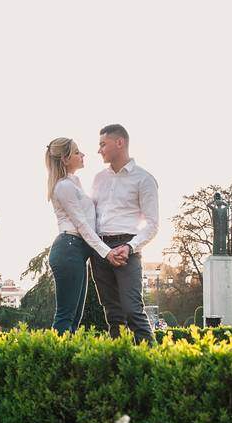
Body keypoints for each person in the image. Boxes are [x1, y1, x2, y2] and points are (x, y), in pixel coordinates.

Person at [44, 137, 126, 334]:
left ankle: (67, 360)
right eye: (76, 152)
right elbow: (82, 225)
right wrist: (106, 252)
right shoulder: (63, 187)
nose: (82, 155)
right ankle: (55, 361)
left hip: (77, 252)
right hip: (69, 248)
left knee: (74, 319)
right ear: (64, 159)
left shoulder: (74, 183)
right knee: (65, 317)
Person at [90, 124, 159, 343]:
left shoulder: (144, 179)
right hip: (101, 249)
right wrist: (100, 248)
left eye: (103, 144)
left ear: (120, 143)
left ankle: (152, 363)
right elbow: (92, 217)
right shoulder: (98, 178)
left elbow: (152, 224)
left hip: (127, 247)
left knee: (132, 309)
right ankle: (119, 365)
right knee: (112, 313)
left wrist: (129, 247)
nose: (99, 149)